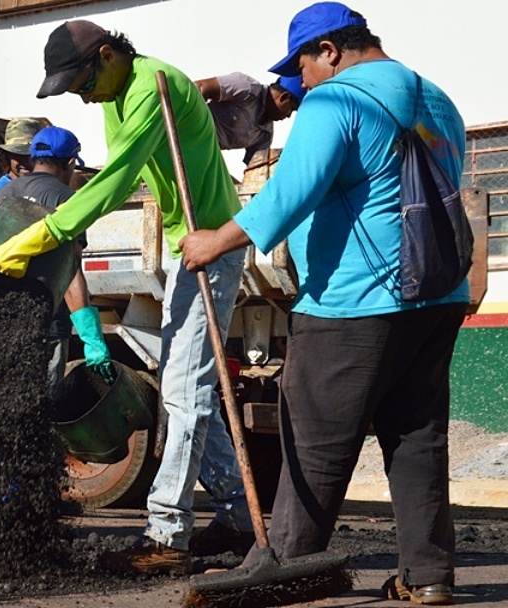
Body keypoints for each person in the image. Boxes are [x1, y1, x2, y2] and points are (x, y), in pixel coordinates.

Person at [179, 3, 467, 604]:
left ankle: (285, 565)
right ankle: (428, 575)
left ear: (330, 51)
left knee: (314, 439)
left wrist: (214, 241)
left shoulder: (335, 100)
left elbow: (291, 191)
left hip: (355, 301)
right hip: (437, 297)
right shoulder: (438, 99)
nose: (300, 81)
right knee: (417, 436)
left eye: (303, 65)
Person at [0, 20, 254, 573]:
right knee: (186, 385)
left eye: (82, 83)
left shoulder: (154, 86)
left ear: (108, 55)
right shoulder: (114, 95)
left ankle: (168, 534)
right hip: (186, 246)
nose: (83, 97)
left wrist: (46, 234)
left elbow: (117, 176)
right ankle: (236, 517)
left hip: (212, 245)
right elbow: (123, 179)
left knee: (183, 391)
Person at [0, 126, 115, 388]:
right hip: (45, 327)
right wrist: (92, 340)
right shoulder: (67, 200)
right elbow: (70, 274)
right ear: (70, 162)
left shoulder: (0, 195)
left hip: (0, 326)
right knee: (40, 403)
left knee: (5, 399)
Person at [195, 72, 306, 164]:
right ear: (284, 97)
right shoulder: (246, 87)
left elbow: (255, 171)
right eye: (291, 109)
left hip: (199, 154)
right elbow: (199, 87)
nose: (288, 116)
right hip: (188, 130)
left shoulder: (265, 135)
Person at [0, 117, 49, 213]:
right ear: (7, 156)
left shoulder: (45, 188)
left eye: (31, 154)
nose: (26, 161)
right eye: (18, 154)